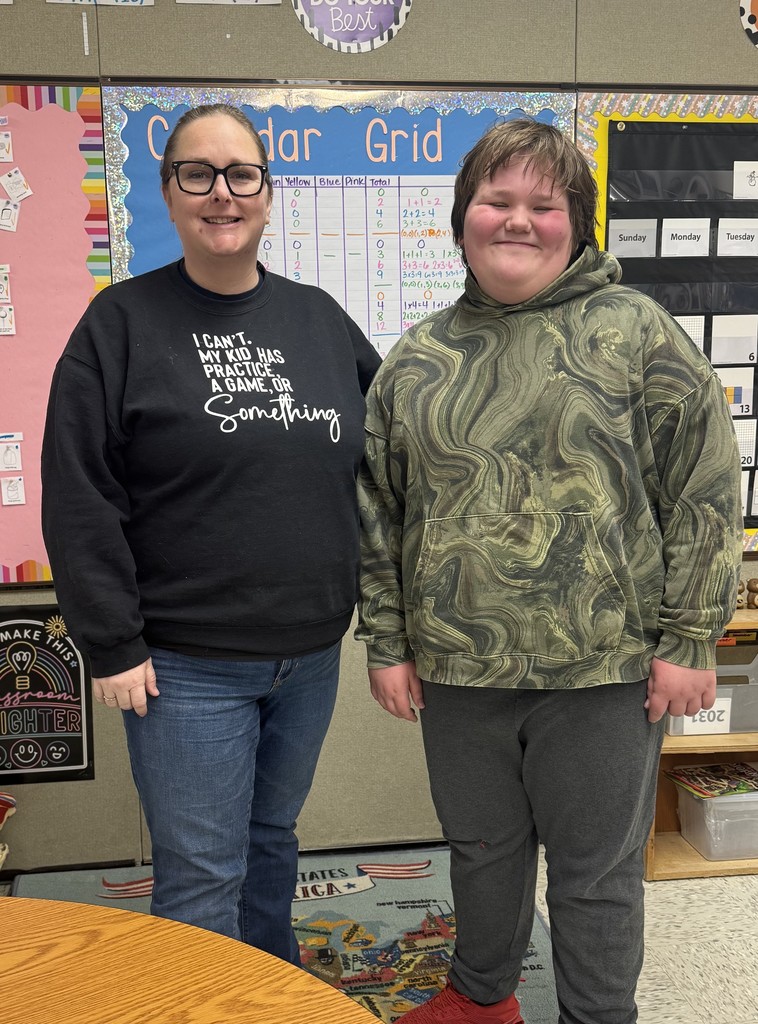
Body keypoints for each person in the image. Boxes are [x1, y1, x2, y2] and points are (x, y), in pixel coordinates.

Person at [356, 118, 742, 1024]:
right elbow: (380, 511)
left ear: (577, 223)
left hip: (604, 671)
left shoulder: (637, 332)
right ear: (463, 218)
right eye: (497, 200)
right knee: (482, 850)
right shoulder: (418, 359)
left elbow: (703, 488)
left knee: (594, 873)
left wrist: (690, 638)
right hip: (459, 668)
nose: (518, 220)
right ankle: (482, 997)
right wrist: (387, 641)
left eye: (545, 203)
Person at [41, 103, 381, 963]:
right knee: (200, 876)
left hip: (309, 654)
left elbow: (395, 444)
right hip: (183, 665)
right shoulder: (119, 324)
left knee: (271, 843)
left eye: (241, 174)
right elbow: (79, 494)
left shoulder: (318, 318)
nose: (221, 193)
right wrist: (111, 643)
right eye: (197, 174)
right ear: (169, 193)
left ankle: (267, 996)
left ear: (267, 193)